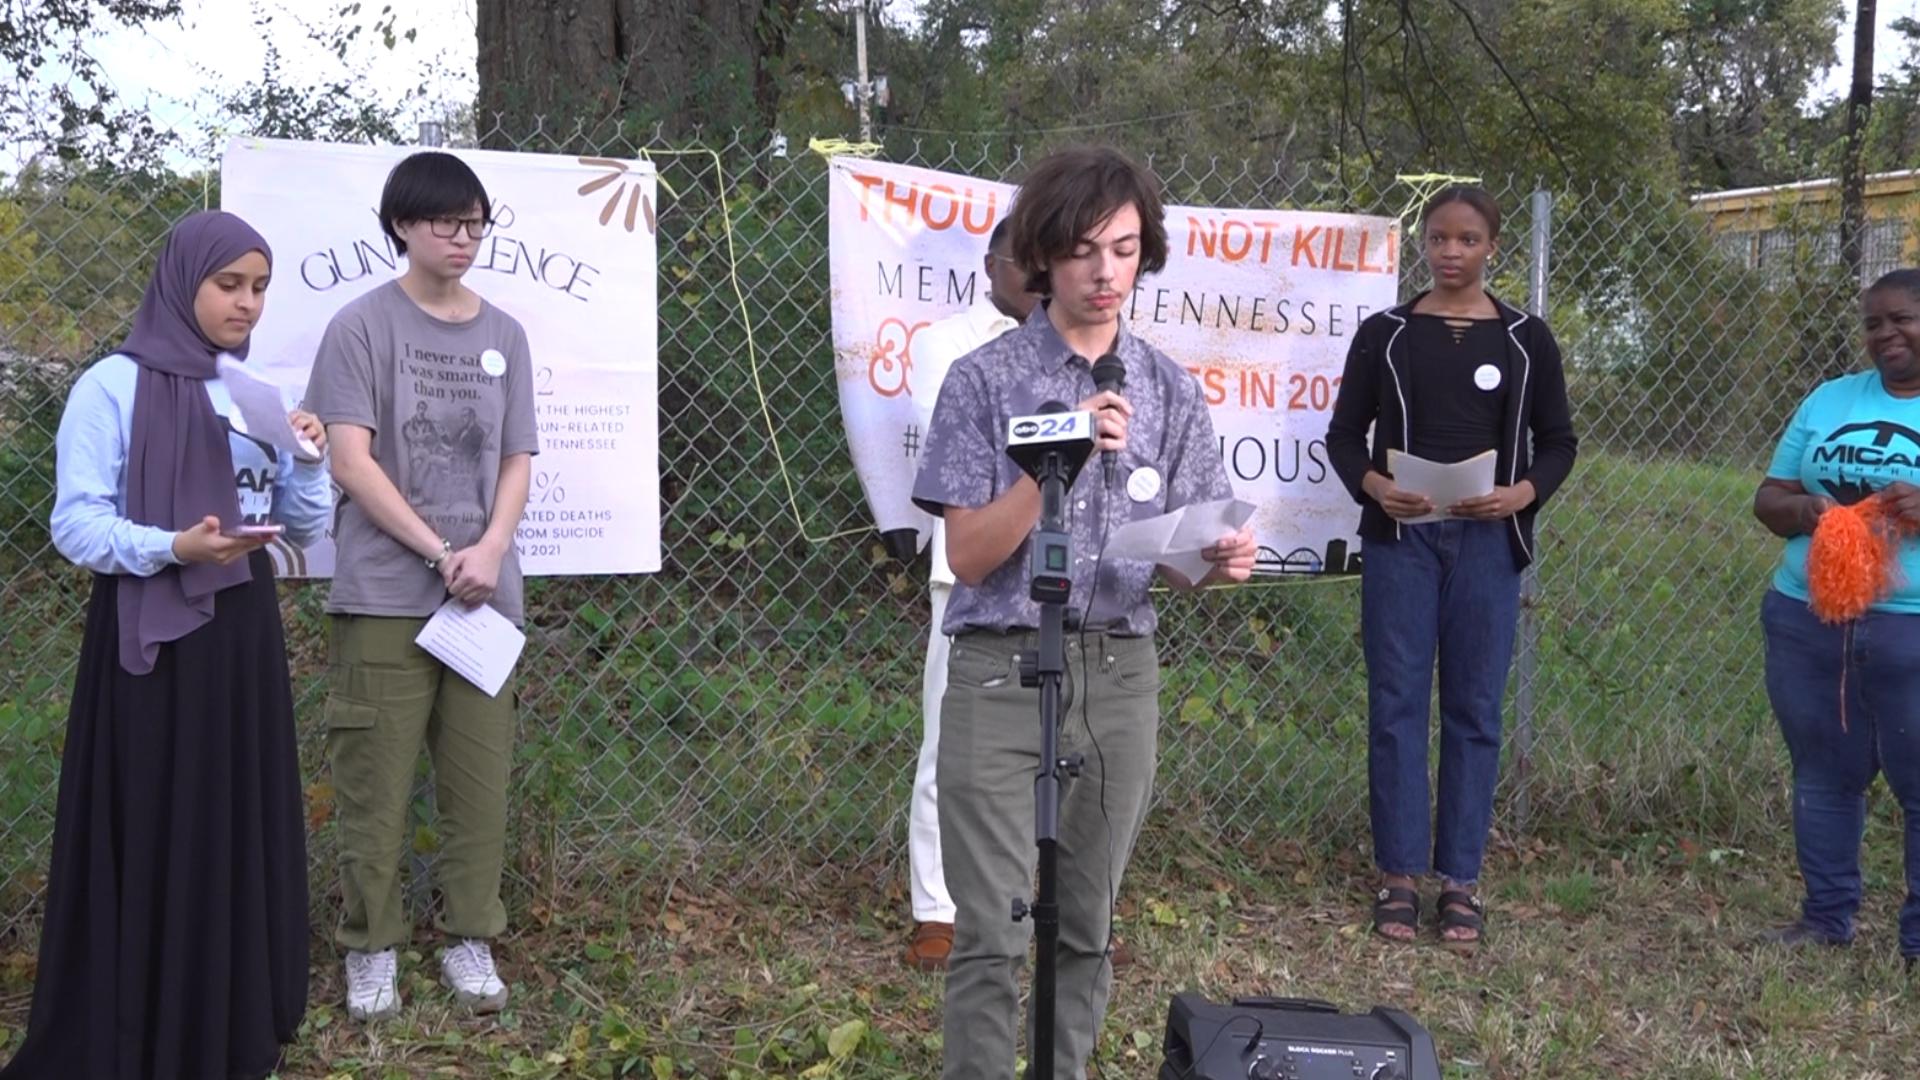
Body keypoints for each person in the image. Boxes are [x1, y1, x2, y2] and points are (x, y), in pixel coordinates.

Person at [911, 145, 1256, 1080]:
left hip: (1116, 670)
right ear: (1043, 258)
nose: (1106, 273)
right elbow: (970, 554)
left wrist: (1218, 560)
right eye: (1082, 251)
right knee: (987, 931)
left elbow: (1177, 564)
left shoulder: (1171, 389)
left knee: (1087, 925)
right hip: (997, 666)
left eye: (1125, 249)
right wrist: (1055, 462)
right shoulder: (983, 381)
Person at [6, 210, 328, 1079]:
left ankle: (223, 1013)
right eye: (230, 285)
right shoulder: (111, 387)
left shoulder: (249, 390)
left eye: (260, 287)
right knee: (153, 816)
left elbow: (297, 528)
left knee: (230, 811)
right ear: (182, 282)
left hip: (241, 632)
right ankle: (142, 1019)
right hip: (151, 635)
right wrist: (172, 547)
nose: (248, 305)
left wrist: (306, 461)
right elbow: (76, 525)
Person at [305, 150, 539, 1020]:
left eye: (475, 222)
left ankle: (471, 936)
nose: (463, 237)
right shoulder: (362, 326)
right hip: (384, 594)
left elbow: (517, 458)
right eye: (445, 221)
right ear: (402, 224)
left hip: (485, 597)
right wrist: (442, 553)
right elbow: (351, 458)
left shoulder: (504, 335)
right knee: (374, 782)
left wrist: (490, 549)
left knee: (480, 779)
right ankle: (372, 947)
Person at [1326, 185, 1577, 949]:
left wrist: (1519, 496)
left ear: (1493, 247)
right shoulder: (1388, 333)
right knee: (1397, 705)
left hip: (1487, 546)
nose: (1452, 252)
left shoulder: (1527, 339)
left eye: (1468, 239)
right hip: (1403, 542)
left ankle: (1460, 881)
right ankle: (1398, 876)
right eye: (1439, 238)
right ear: (1423, 245)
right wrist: (1375, 487)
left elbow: (1559, 441)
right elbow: (1343, 435)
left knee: (1474, 711)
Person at [1754, 267, 1920, 973]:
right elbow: (1770, 498)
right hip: (1810, 615)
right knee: (1823, 774)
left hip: (1911, 628)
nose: (1886, 334)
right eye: (1874, 323)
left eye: (1902, 319)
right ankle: (1826, 919)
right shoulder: (1829, 399)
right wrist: (1811, 514)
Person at [899, 218, 1039, 971]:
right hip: (973, 573)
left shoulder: (1081, 347)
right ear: (991, 265)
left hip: (1058, 575)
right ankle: (938, 909)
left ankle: (1030, 899)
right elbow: (954, 448)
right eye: (1025, 260)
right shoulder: (946, 342)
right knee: (950, 742)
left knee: (1052, 745)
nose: (1038, 274)